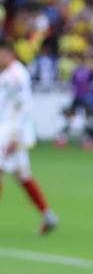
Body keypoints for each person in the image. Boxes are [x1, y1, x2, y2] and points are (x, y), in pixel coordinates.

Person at [0, 37, 59, 234]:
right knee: (22, 175)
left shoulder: (17, 75)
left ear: (7, 52)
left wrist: (15, 135)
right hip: (7, 130)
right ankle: (47, 215)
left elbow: (24, 106)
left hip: (9, 132)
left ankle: (48, 215)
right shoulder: (6, 74)